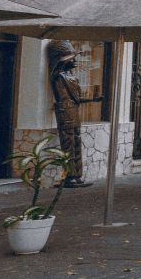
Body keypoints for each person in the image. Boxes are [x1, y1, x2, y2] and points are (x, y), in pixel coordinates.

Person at [46, 40, 91, 188]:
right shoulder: (58, 76)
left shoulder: (71, 77)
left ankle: (77, 175)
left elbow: (77, 97)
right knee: (68, 146)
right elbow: (55, 70)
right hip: (65, 114)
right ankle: (69, 176)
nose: (75, 61)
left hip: (74, 113)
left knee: (76, 144)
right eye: (72, 58)